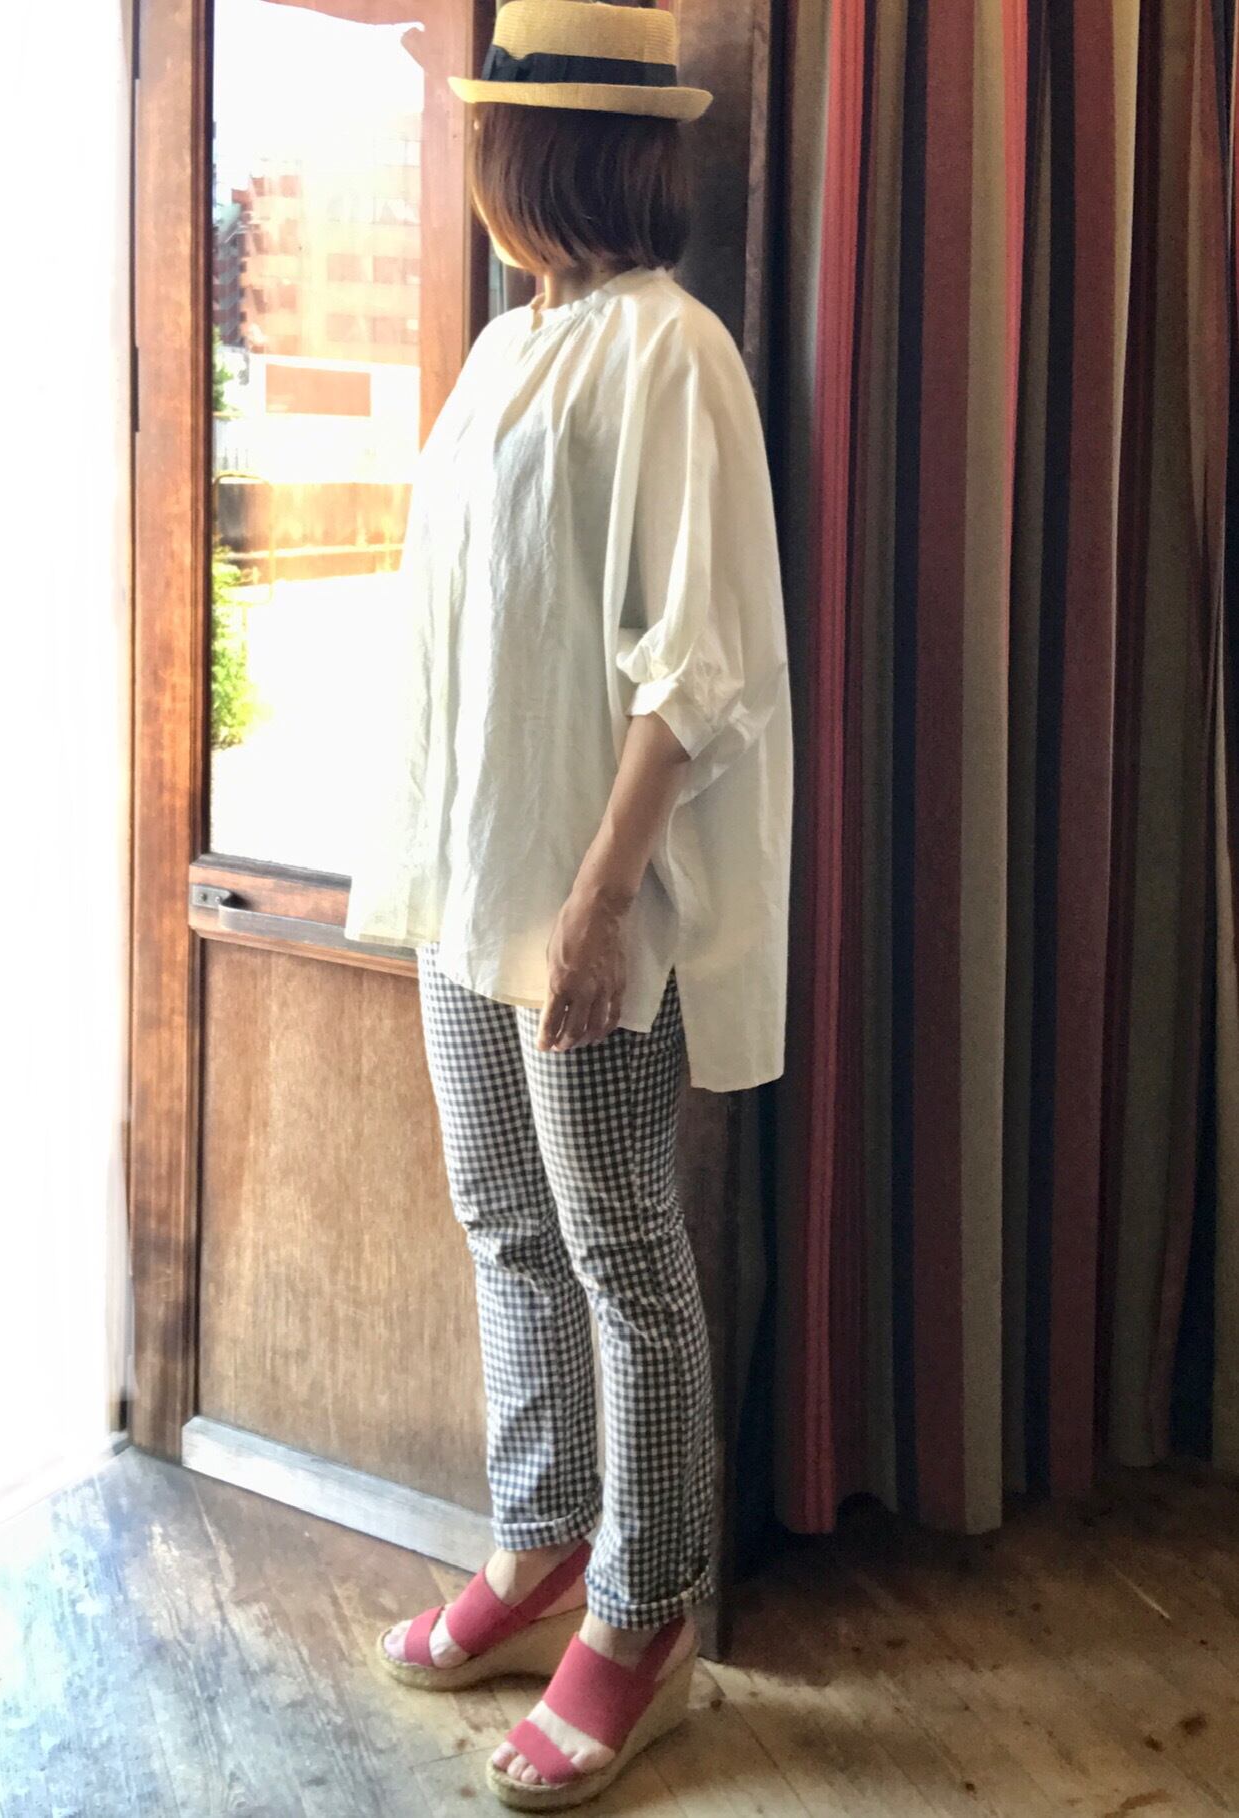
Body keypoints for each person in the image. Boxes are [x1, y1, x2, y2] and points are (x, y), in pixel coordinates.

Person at [340, 3, 792, 1809]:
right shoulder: (502, 346)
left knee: (618, 1247)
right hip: (466, 879)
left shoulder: (672, 352)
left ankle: (643, 1613)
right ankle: (538, 1545)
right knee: (502, 1222)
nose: (473, 156)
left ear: (540, 151)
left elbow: (699, 664)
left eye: (486, 131)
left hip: (581, 899)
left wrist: (600, 905)